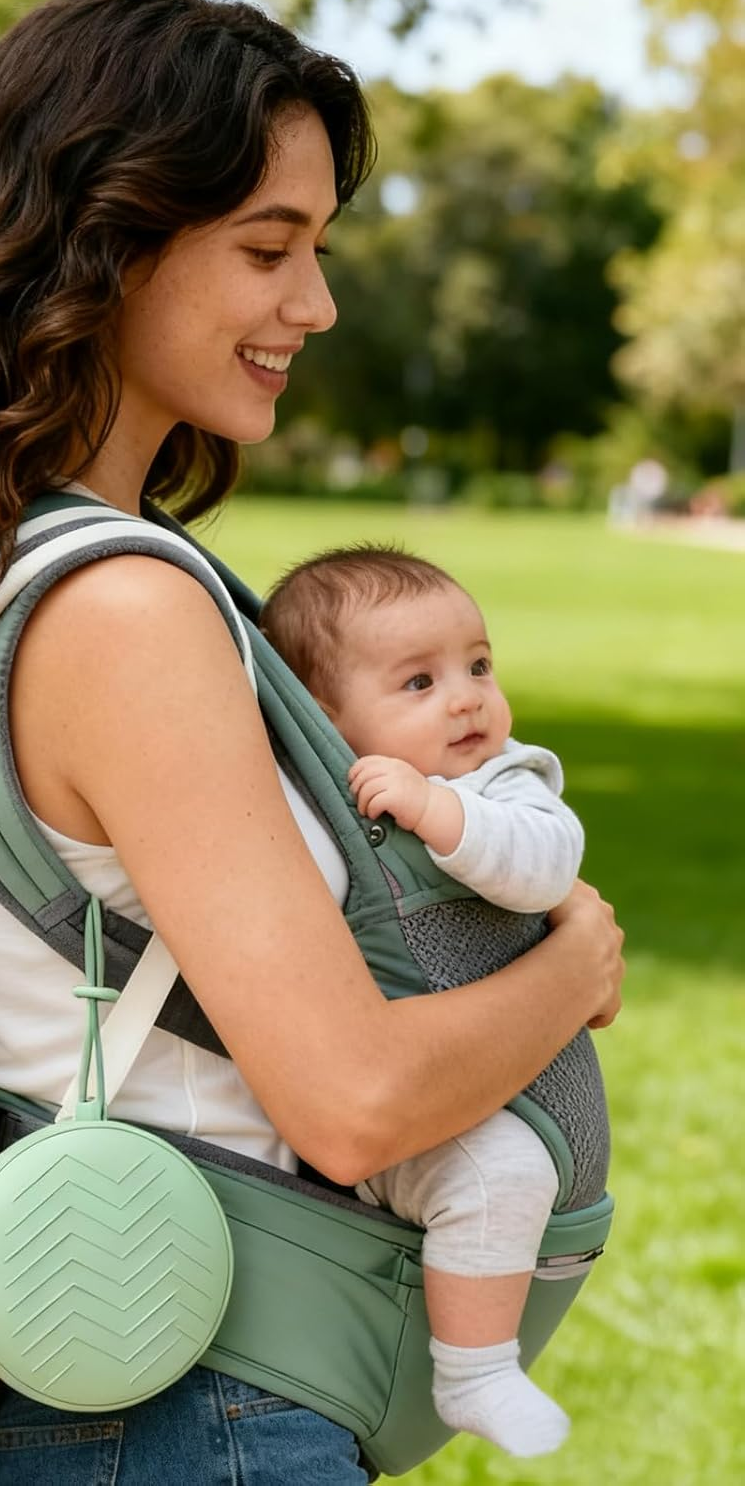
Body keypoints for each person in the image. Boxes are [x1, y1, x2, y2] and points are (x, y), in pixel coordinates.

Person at [0, 0, 625, 1480]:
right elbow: (355, 1098)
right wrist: (576, 962)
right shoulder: (121, 607)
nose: (313, 305)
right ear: (102, 244)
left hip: (86, 1333)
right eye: (267, 249)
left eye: (319, 249)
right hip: (196, 1394)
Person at [260, 544, 586, 1457]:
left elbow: (544, 869)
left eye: (478, 666)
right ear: (325, 722)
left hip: (459, 1102)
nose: (467, 698)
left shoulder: (505, 782)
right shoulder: (309, 799)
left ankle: (476, 1372)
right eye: (418, 682)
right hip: (328, 1101)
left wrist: (440, 811)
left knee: (502, 1175)